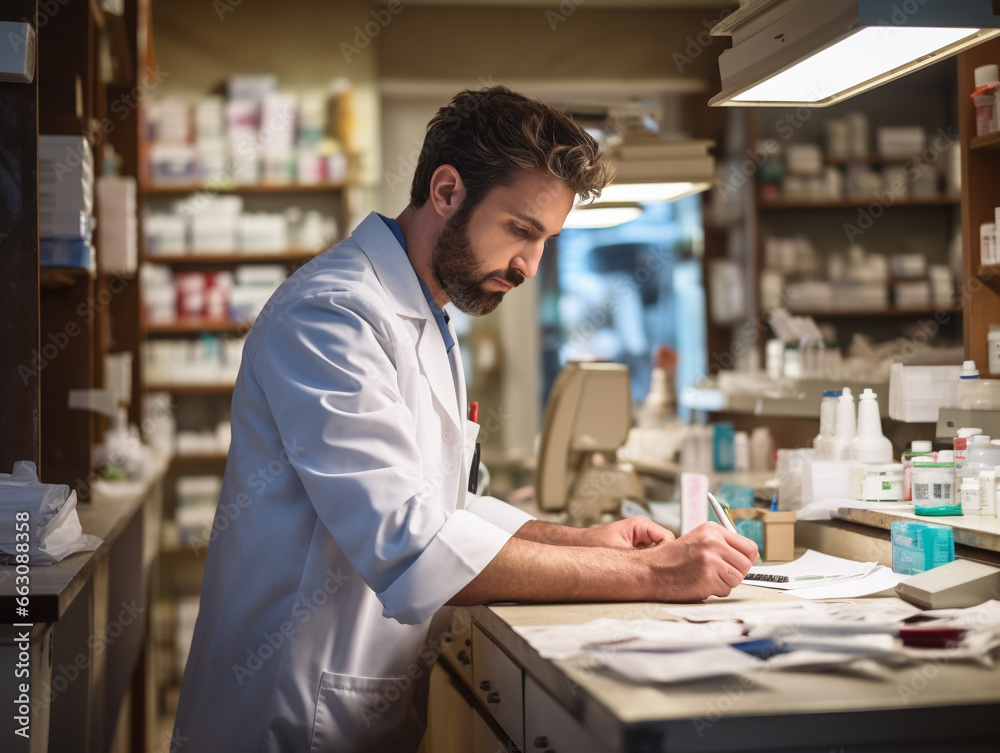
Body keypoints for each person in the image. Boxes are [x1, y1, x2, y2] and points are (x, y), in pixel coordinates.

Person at [171, 86, 757, 753]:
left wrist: (587, 540)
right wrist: (656, 575)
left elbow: (446, 506)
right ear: (446, 190)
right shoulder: (331, 315)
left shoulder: (427, 314)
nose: (529, 267)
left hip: (352, 709)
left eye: (545, 242)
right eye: (521, 231)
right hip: (281, 717)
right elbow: (412, 542)